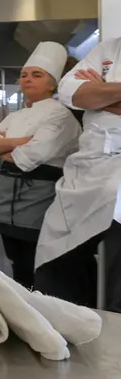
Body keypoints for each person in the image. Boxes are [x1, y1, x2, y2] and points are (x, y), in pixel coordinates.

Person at [0, 42, 81, 288]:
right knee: (14, 255)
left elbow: (32, 155)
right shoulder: (16, 115)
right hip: (5, 196)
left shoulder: (61, 114)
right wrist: (20, 142)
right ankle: (21, 295)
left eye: (37, 75)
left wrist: (3, 145)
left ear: (53, 84)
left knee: (35, 257)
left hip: (39, 195)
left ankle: (38, 301)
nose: (28, 79)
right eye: (24, 75)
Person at [34, 37, 121, 309]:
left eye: (36, 75)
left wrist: (100, 94)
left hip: (115, 175)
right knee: (55, 248)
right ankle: (65, 316)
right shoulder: (108, 48)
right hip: (85, 167)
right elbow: (69, 91)